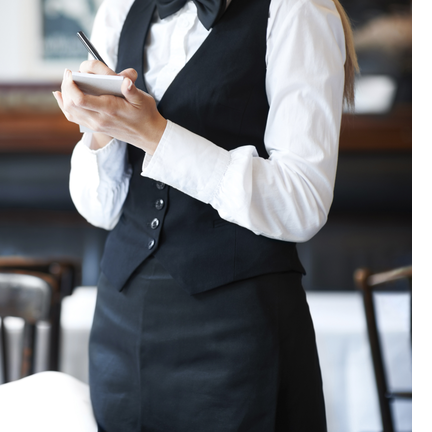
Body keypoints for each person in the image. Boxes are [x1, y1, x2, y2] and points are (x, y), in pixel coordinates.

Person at [53, 0, 357, 430]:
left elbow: (303, 202)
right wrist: (101, 126)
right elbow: (99, 209)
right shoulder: (120, 9)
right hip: (121, 329)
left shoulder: (298, 9)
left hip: (241, 336)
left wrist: (156, 135)